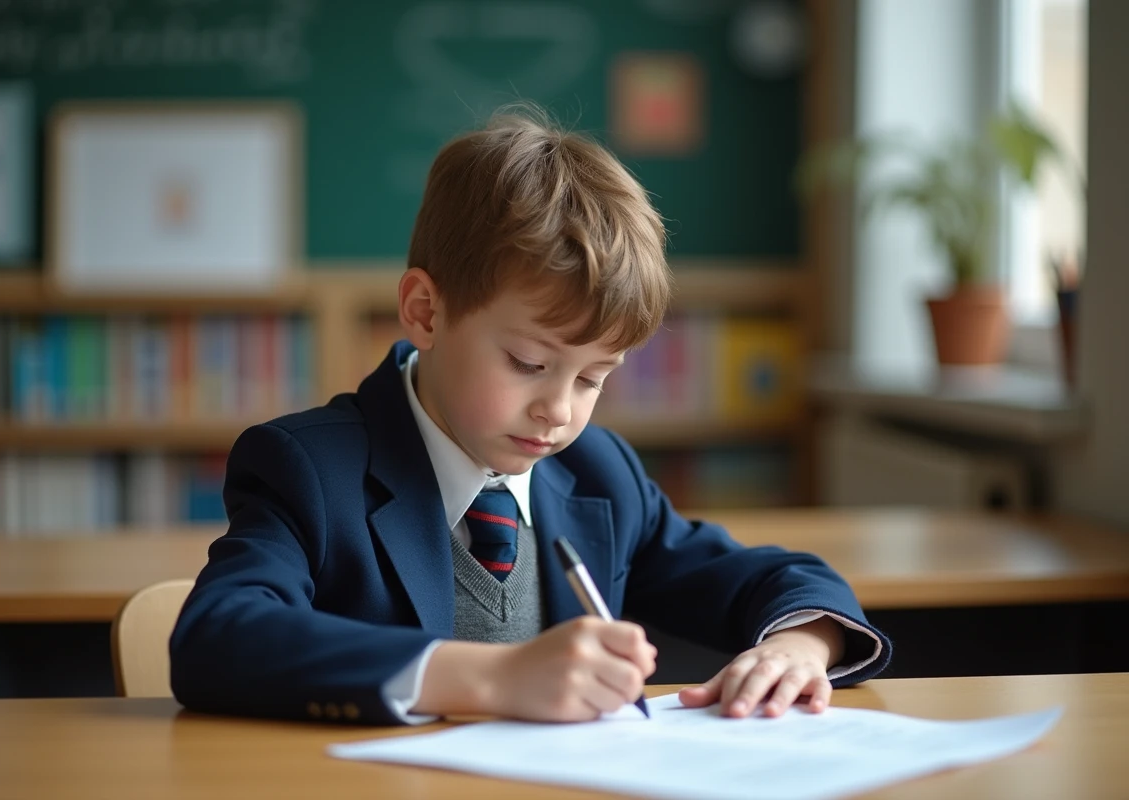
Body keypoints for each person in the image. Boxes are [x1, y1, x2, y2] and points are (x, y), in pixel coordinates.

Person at [170, 107, 891, 726]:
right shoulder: (310, 471)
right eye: (526, 362)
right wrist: (489, 678)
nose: (558, 410)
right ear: (426, 311)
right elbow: (218, 637)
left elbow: (776, 579)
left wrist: (800, 645)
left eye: (593, 378)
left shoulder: (597, 472)